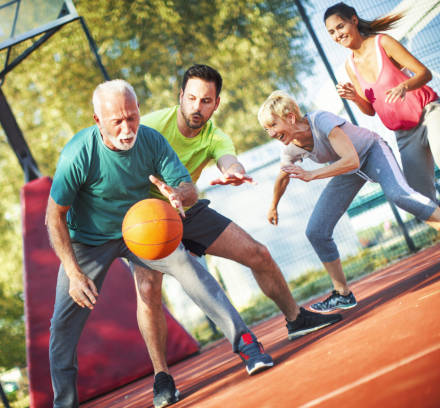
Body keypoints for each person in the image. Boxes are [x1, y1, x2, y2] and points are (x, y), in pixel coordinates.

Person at [46, 79, 274, 408]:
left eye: (132, 117)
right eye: (117, 121)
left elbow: (187, 187)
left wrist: (179, 194)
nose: (127, 128)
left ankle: (248, 344)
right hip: (88, 241)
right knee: (62, 324)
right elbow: (54, 216)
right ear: (98, 121)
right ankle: (64, 404)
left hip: (140, 228)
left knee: (187, 266)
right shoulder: (78, 153)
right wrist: (72, 269)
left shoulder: (151, 141)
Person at [134, 64, 342, 408]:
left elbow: (228, 159)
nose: (197, 107)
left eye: (206, 100)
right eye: (191, 98)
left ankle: (295, 318)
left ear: (216, 104)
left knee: (258, 253)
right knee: (148, 288)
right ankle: (162, 377)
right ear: (180, 97)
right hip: (147, 218)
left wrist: (233, 172)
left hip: (187, 208)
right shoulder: (152, 125)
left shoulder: (215, 135)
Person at [258, 90, 440, 314]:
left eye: (272, 125)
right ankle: (342, 294)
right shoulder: (289, 148)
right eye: (265, 129)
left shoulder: (321, 121)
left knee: (400, 195)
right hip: (348, 170)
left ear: (289, 117)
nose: (270, 132)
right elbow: (283, 177)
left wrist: (312, 175)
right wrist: (273, 205)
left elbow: (351, 159)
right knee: (316, 231)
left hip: (371, 151)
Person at [323, 2, 440, 208]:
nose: (337, 35)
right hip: (405, 134)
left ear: (354, 19)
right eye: (332, 32)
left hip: (428, 113)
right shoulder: (350, 65)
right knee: (421, 201)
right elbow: (370, 110)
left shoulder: (383, 42)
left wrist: (404, 86)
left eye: (340, 27)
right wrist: (354, 97)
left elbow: (425, 73)